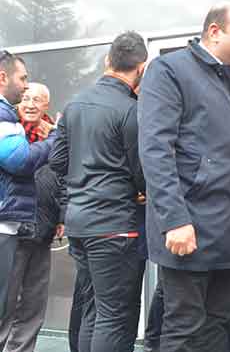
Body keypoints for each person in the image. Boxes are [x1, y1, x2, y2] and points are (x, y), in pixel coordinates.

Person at [138, 1, 230, 352]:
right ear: (214, 31)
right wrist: (174, 220)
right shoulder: (170, 71)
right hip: (190, 227)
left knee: (219, 324)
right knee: (184, 327)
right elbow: (155, 148)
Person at [50, 31, 148, 352]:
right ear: (141, 68)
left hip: (79, 224)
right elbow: (141, 171)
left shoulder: (74, 104)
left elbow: (57, 161)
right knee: (113, 315)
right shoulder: (130, 110)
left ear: (108, 61)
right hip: (114, 226)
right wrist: (141, 190)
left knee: (93, 309)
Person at [0, 53, 56, 352]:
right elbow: (20, 161)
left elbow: (62, 178)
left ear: (47, 106)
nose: (30, 102)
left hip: (40, 227)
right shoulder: (9, 127)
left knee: (33, 302)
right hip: (12, 228)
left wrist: (60, 216)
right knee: (6, 304)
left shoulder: (52, 135)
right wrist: (53, 141)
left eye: (38, 99)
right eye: (27, 96)